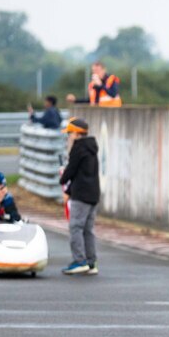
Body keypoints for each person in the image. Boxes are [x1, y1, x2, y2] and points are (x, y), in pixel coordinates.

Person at [59, 118, 100, 275]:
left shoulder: (78, 148)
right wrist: (69, 191)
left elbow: (72, 170)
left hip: (81, 195)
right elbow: (83, 173)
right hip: (93, 194)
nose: (69, 136)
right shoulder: (92, 147)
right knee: (88, 230)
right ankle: (91, 262)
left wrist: (62, 181)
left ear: (76, 133)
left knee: (75, 227)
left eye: (70, 133)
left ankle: (79, 261)